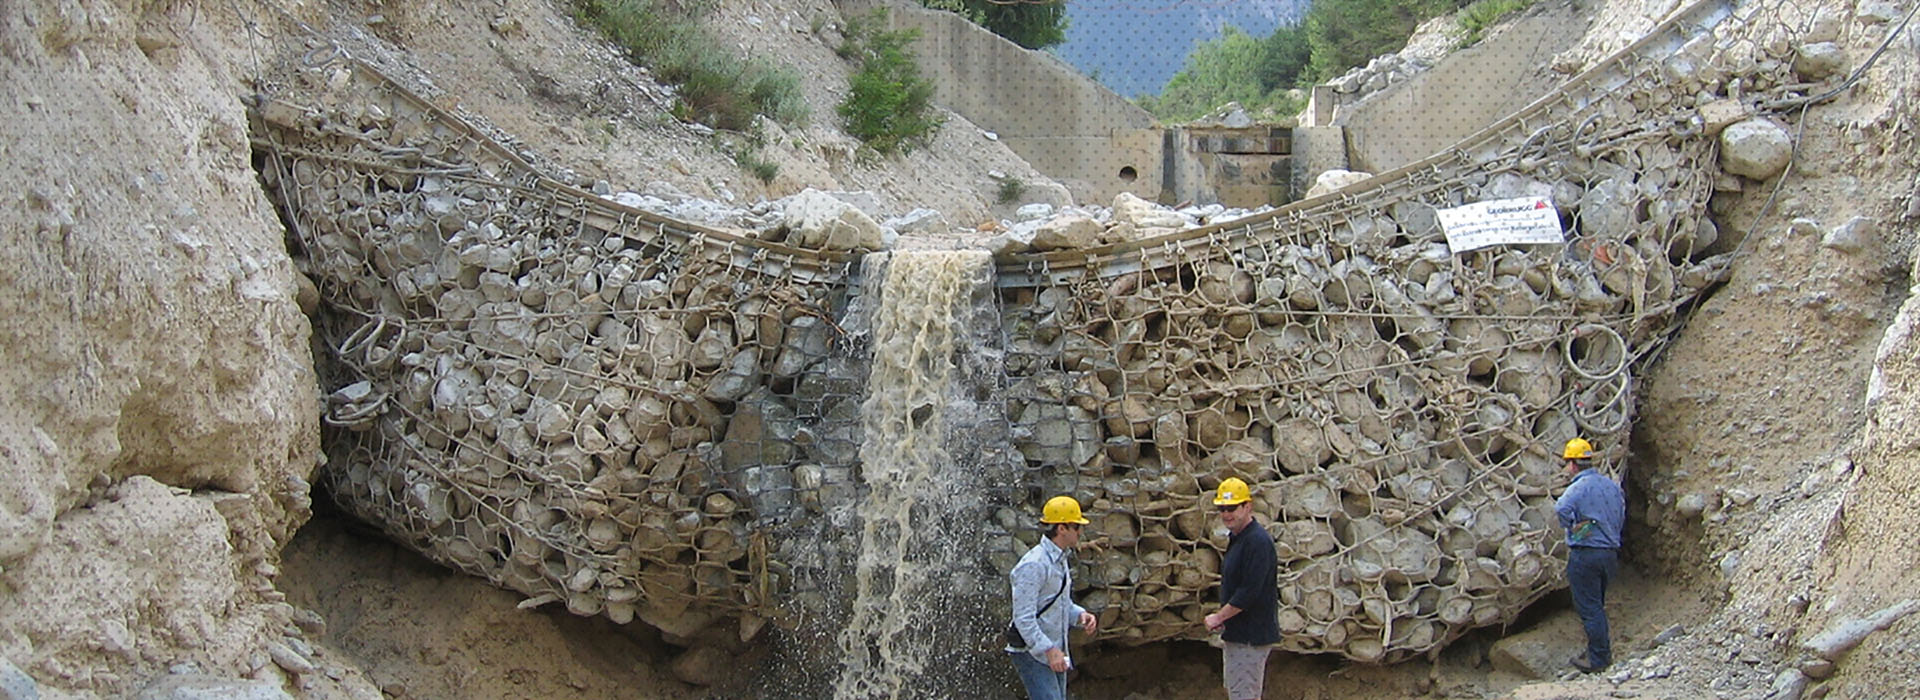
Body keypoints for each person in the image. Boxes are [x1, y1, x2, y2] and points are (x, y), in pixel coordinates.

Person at [1006, 495, 1098, 700]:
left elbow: (1059, 602)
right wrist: (1049, 650)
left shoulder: (1060, 559)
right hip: (1033, 653)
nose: (1080, 532)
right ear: (1061, 529)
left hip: (1054, 650)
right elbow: (1023, 618)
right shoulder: (1034, 565)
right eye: (1076, 527)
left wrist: (1080, 615)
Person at [1203, 477, 1280, 700]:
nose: (1227, 514)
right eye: (1222, 509)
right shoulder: (1239, 538)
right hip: (1239, 635)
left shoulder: (1257, 542)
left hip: (1250, 638)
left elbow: (1249, 592)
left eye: (1232, 508)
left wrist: (1219, 617)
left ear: (1248, 506)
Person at [1555, 437, 1626, 673]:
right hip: (1609, 553)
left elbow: (1561, 508)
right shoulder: (1611, 485)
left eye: (1567, 463)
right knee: (1597, 604)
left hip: (1586, 554)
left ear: (1574, 464)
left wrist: (1573, 526)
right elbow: (1620, 513)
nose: (1566, 469)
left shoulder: (1579, 486)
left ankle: (1599, 661)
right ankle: (1598, 652)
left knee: (1590, 608)